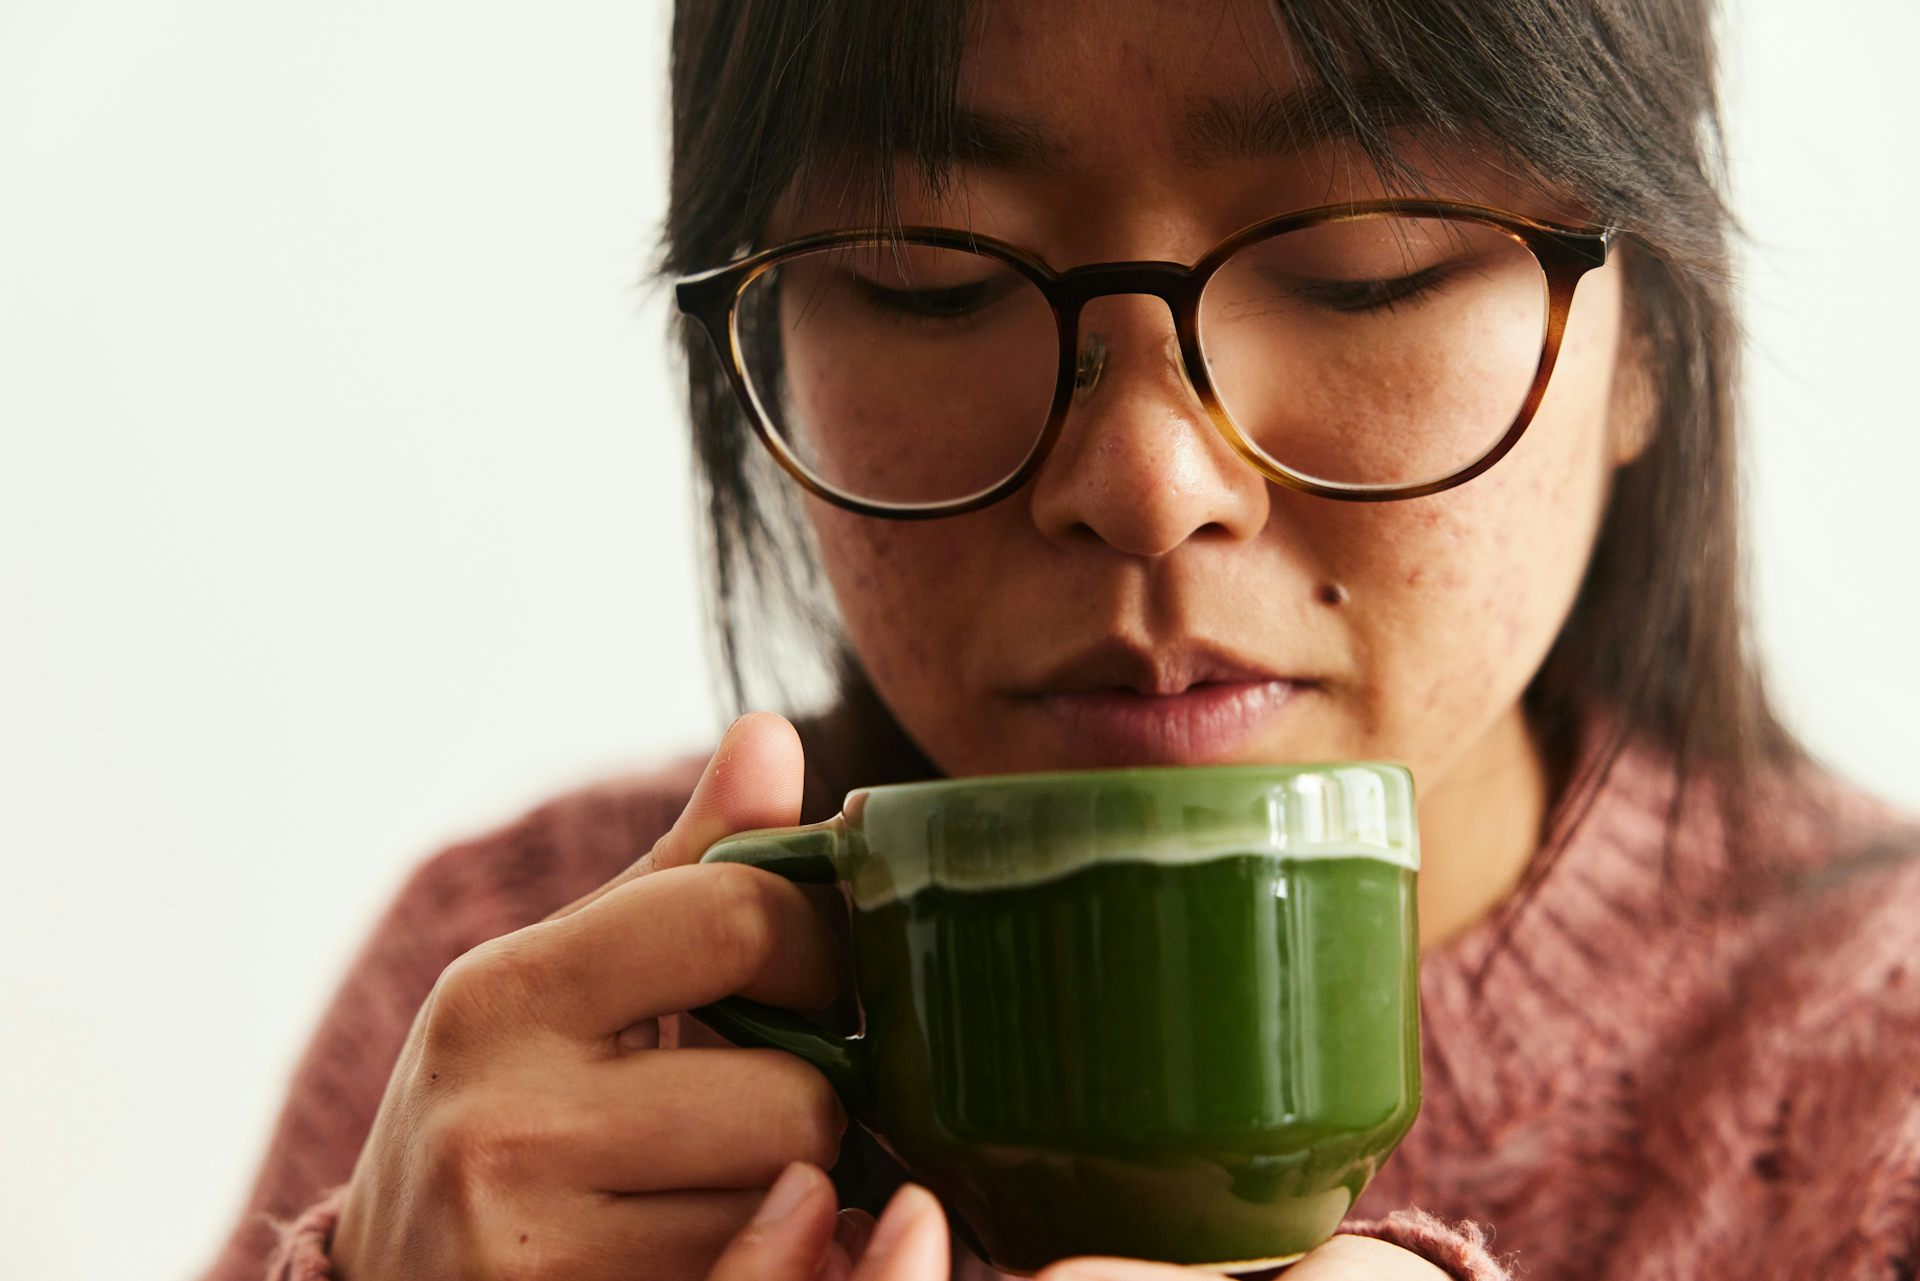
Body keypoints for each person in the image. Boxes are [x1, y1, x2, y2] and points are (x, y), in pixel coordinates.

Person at [203, 1, 1920, 1279]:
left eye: (1364, 256)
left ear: (1651, 347)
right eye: (925, 278)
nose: (1145, 480)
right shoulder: (516, 1022)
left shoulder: (1877, 1101)